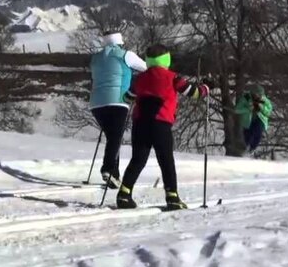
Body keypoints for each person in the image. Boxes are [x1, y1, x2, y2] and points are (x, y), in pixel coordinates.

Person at [117, 44, 209, 210]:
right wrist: (207, 87)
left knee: (138, 160)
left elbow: (127, 98)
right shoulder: (174, 78)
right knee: (166, 161)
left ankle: (124, 194)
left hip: (140, 124)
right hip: (161, 124)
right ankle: (172, 197)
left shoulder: (140, 78)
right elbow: (195, 93)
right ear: (166, 59)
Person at [89, 31, 147, 188]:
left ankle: (114, 176)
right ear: (120, 42)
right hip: (118, 100)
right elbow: (146, 68)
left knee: (112, 137)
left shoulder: (95, 58)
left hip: (96, 103)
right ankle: (108, 169)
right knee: (115, 137)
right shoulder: (126, 55)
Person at [235, 85, 272, 155]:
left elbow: (269, 112)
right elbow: (237, 109)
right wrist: (248, 109)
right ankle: (245, 151)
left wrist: (261, 107)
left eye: (260, 95)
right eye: (257, 95)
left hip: (260, 120)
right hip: (247, 122)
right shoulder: (246, 98)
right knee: (247, 137)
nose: (258, 97)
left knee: (258, 133)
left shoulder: (265, 100)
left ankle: (252, 148)